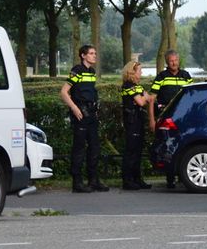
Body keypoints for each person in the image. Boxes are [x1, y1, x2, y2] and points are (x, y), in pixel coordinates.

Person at [59, 45, 109, 193]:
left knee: (95, 147)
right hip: (80, 113)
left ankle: (93, 180)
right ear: (83, 55)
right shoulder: (77, 70)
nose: (95, 56)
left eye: (95, 53)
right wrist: (74, 108)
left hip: (91, 113)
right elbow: (63, 92)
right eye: (91, 53)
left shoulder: (92, 72)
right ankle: (77, 182)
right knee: (79, 148)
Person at [148, 50, 193, 189]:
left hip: (183, 116)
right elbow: (152, 98)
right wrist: (152, 119)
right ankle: (170, 178)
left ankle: (183, 176)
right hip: (166, 116)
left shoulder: (185, 75)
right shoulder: (161, 76)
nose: (174, 63)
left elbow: (192, 95)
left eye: (176, 60)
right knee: (168, 145)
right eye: (171, 61)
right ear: (167, 62)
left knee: (185, 144)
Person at [119, 60, 152, 190]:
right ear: (132, 72)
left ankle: (137, 179)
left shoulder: (137, 86)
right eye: (140, 70)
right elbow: (141, 102)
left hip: (138, 120)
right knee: (131, 151)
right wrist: (143, 96)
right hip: (131, 121)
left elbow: (148, 98)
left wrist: (144, 96)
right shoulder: (127, 86)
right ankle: (127, 180)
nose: (142, 72)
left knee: (138, 151)